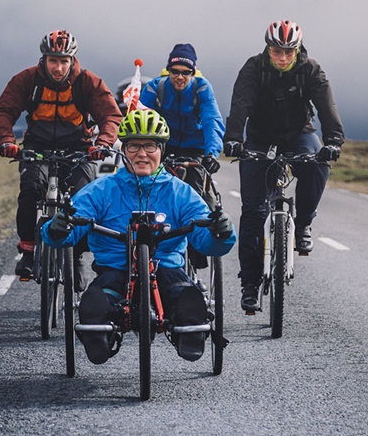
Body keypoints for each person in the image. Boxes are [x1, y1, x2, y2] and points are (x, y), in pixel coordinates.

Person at [42, 109, 236, 364]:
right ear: (123, 150)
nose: (142, 154)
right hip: (115, 269)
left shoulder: (181, 193)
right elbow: (70, 228)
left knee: (186, 297)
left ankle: (189, 330)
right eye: (134, 146)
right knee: (96, 302)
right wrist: (58, 228)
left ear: (161, 150)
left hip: (167, 269)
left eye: (150, 146)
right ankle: (99, 335)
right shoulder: (101, 190)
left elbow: (204, 239)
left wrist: (221, 233)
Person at [222, 20, 345, 313]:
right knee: (253, 212)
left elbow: (327, 107)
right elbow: (240, 105)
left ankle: (303, 224)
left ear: (297, 49)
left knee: (317, 163)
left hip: (298, 133)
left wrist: (333, 140)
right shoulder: (253, 68)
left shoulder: (310, 70)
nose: (283, 57)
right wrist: (234, 139)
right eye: (277, 51)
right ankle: (249, 284)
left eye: (289, 52)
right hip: (260, 137)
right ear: (268, 49)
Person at [0, 30, 122, 282]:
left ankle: (77, 255)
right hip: (37, 147)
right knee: (31, 190)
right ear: (44, 59)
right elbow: (3, 111)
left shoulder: (87, 82)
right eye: (53, 61)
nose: (58, 68)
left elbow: (110, 115)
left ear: (72, 60)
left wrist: (103, 143)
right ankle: (28, 250)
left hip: (78, 149)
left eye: (63, 61)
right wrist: (6, 140)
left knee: (84, 198)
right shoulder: (27, 80)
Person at [139, 42, 226, 269]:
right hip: (163, 145)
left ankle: (196, 255)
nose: (180, 77)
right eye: (175, 71)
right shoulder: (155, 88)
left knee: (197, 194)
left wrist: (212, 153)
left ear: (193, 72)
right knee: (150, 190)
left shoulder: (202, 88)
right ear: (168, 70)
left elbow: (212, 120)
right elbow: (140, 121)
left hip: (194, 147)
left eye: (186, 72)